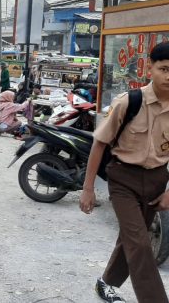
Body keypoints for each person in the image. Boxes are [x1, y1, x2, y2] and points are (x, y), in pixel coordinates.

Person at [80, 42, 169, 303]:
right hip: (123, 180)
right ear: (149, 69)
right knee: (140, 243)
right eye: (163, 69)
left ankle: (105, 283)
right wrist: (87, 189)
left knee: (132, 238)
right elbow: (100, 143)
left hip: (156, 180)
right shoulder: (129, 102)